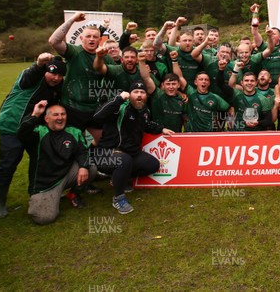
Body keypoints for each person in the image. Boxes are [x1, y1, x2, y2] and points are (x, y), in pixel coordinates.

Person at [0, 54, 65, 218]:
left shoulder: (56, 88)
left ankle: (35, 194)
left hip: (33, 130)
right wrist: (38, 64)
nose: (56, 78)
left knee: (39, 161)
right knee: (8, 165)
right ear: (45, 70)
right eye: (53, 73)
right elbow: (31, 74)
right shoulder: (30, 79)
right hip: (12, 127)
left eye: (60, 75)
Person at [91, 81, 173, 214]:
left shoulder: (144, 110)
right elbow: (97, 116)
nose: (139, 95)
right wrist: (118, 99)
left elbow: (146, 124)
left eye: (142, 92)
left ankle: (118, 178)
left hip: (130, 154)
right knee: (124, 160)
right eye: (136, 92)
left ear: (146, 95)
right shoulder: (120, 107)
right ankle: (118, 198)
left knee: (153, 165)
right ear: (129, 94)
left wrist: (161, 129)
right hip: (106, 154)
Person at [18, 102, 96, 225]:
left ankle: (73, 194)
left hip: (66, 174)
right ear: (46, 118)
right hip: (46, 184)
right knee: (44, 218)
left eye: (63, 114)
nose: (60, 117)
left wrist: (83, 167)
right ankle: (46, 198)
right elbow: (22, 133)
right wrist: (34, 114)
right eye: (55, 115)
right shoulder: (38, 132)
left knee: (90, 168)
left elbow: (83, 152)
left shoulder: (74, 132)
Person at [48, 12, 115, 145]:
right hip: (72, 107)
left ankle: (92, 161)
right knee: (74, 142)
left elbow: (113, 79)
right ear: (81, 38)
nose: (91, 39)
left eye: (95, 37)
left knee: (102, 140)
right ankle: (78, 164)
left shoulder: (106, 58)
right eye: (88, 36)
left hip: (94, 108)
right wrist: (72, 19)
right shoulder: (74, 52)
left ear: (99, 39)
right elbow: (54, 41)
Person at [218, 59, 273, 131]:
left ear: (256, 83)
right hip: (238, 133)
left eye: (252, 81)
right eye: (246, 80)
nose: (249, 83)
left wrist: (258, 123)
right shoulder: (236, 94)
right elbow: (220, 84)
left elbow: (268, 120)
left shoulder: (263, 99)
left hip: (255, 135)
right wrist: (221, 69)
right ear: (242, 83)